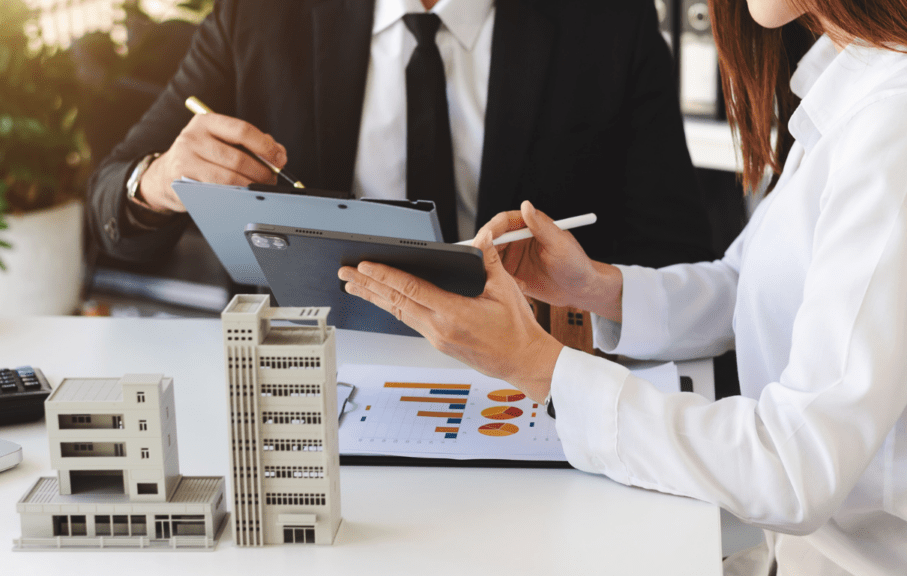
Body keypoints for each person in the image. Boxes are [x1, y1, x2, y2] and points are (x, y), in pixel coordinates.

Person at [338, 0, 907, 574]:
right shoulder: (850, 80)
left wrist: (540, 366)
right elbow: (748, 281)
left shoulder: (890, 125)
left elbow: (794, 468)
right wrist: (596, 288)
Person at [88, 0, 714, 272]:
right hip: (318, 374)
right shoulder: (259, 17)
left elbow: (675, 252)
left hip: (532, 377)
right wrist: (159, 182)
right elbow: (111, 211)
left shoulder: (607, 22)